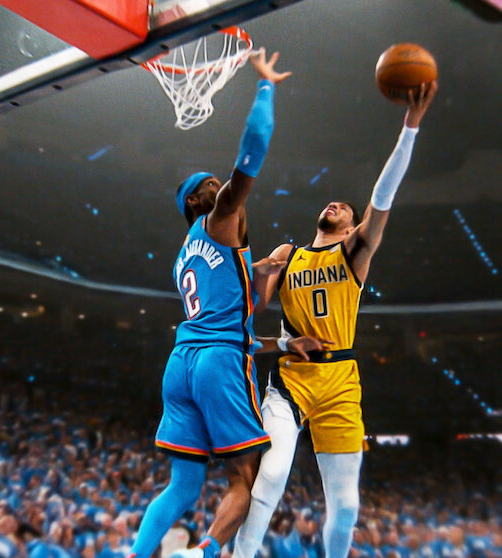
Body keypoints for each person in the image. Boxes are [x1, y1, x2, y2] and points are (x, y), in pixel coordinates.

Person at [233, 81, 438, 558]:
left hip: (341, 380)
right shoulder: (289, 253)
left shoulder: (355, 252)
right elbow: (253, 310)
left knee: (346, 507)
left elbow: (383, 195)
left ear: (352, 227)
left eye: (345, 208)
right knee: (272, 474)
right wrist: (260, 272)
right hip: (292, 378)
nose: (335, 205)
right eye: (331, 204)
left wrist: (410, 126)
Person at [126, 49, 299, 558]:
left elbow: (237, 310)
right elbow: (251, 155)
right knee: (245, 478)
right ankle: (203, 554)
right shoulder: (219, 217)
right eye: (210, 186)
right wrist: (265, 87)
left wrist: (264, 272)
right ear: (197, 202)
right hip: (218, 362)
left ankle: (135, 554)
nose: (219, 187)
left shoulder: (185, 255)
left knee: (182, 486)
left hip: (181, 364)